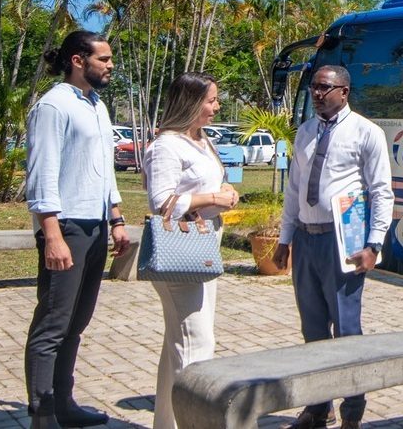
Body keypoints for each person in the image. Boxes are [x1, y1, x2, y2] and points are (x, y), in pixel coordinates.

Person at [273, 65, 393, 429]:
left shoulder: (366, 132)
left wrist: (374, 244)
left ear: (344, 91)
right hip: (307, 240)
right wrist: (284, 238)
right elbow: (294, 190)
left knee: (346, 329)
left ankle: (352, 411)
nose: (316, 93)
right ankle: (317, 406)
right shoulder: (306, 132)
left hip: (345, 244)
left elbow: (381, 191)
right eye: (313, 87)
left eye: (324, 87)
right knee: (312, 329)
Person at [23, 30, 132, 428]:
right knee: (53, 322)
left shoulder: (96, 105)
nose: (110, 64)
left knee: (76, 323)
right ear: (77, 60)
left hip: (95, 226)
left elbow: (103, 170)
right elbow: (41, 175)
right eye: (103, 58)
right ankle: (43, 413)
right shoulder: (53, 106)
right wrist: (51, 233)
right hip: (65, 226)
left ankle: (64, 402)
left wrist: (116, 218)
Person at [141, 72, 240, 429]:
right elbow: (161, 201)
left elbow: (207, 181)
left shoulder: (201, 141)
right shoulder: (167, 145)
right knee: (196, 342)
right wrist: (213, 197)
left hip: (204, 246)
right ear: (191, 102)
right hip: (178, 250)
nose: (217, 106)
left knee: (178, 344)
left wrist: (224, 190)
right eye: (211, 100)